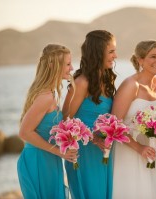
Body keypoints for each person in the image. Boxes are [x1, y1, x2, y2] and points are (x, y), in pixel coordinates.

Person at [112, 40, 156, 199]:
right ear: (140, 60)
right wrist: (139, 148)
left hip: (155, 153)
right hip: (131, 153)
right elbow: (114, 127)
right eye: (153, 56)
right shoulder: (131, 85)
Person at [62, 30, 117, 199]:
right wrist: (94, 138)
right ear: (98, 52)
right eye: (111, 51)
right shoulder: (81, 82)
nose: (115, 55)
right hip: (84, 153)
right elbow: (66, 122)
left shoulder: (107, 80)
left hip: (103, 152)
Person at [17, 44, 77, 199]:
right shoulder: (45, 97)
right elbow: (24, 132)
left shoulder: (50, 93)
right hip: (38, 162)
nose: (72, 68)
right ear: (52, 65)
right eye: (68, 64)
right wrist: (59, 152)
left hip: (48, 160)